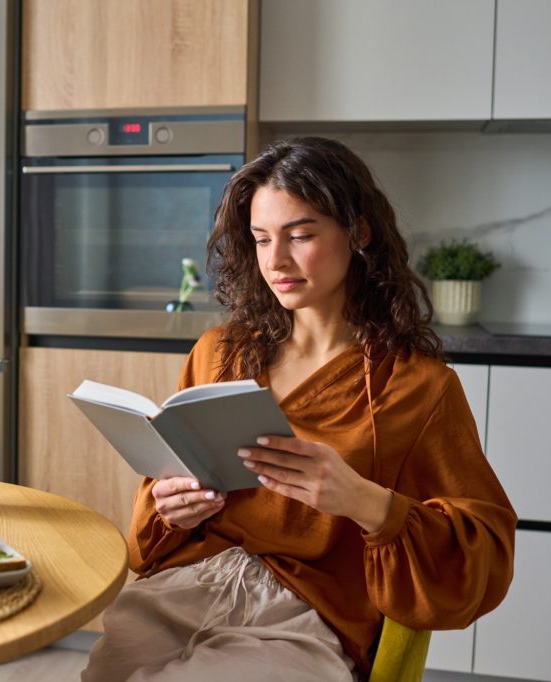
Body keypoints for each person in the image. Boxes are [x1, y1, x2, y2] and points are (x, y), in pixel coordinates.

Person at [81, 137, 517, 682]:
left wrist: (368, 503)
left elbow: (485, 551)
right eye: (262, 239)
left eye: (301, 235)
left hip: (305, 619)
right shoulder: (219, 353)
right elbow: (157, 515)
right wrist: (170, 507)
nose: (276, 261)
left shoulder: (417, 388)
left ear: (358, 232)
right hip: (186, 589)